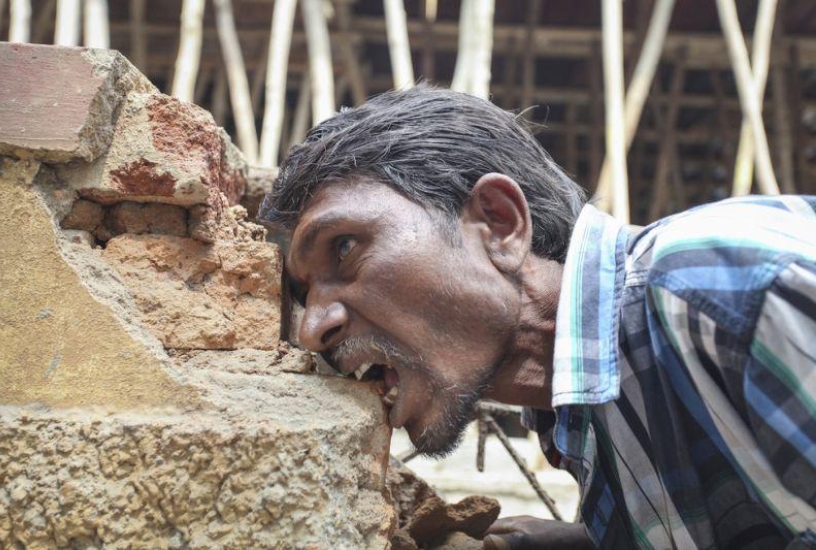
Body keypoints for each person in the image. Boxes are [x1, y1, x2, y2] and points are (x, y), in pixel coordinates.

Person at [258, 85, 816, 549]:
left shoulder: (722, 290)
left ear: (499, 224)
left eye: (344, 248)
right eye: (305, 294)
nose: (312, 329)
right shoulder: (581, 421)